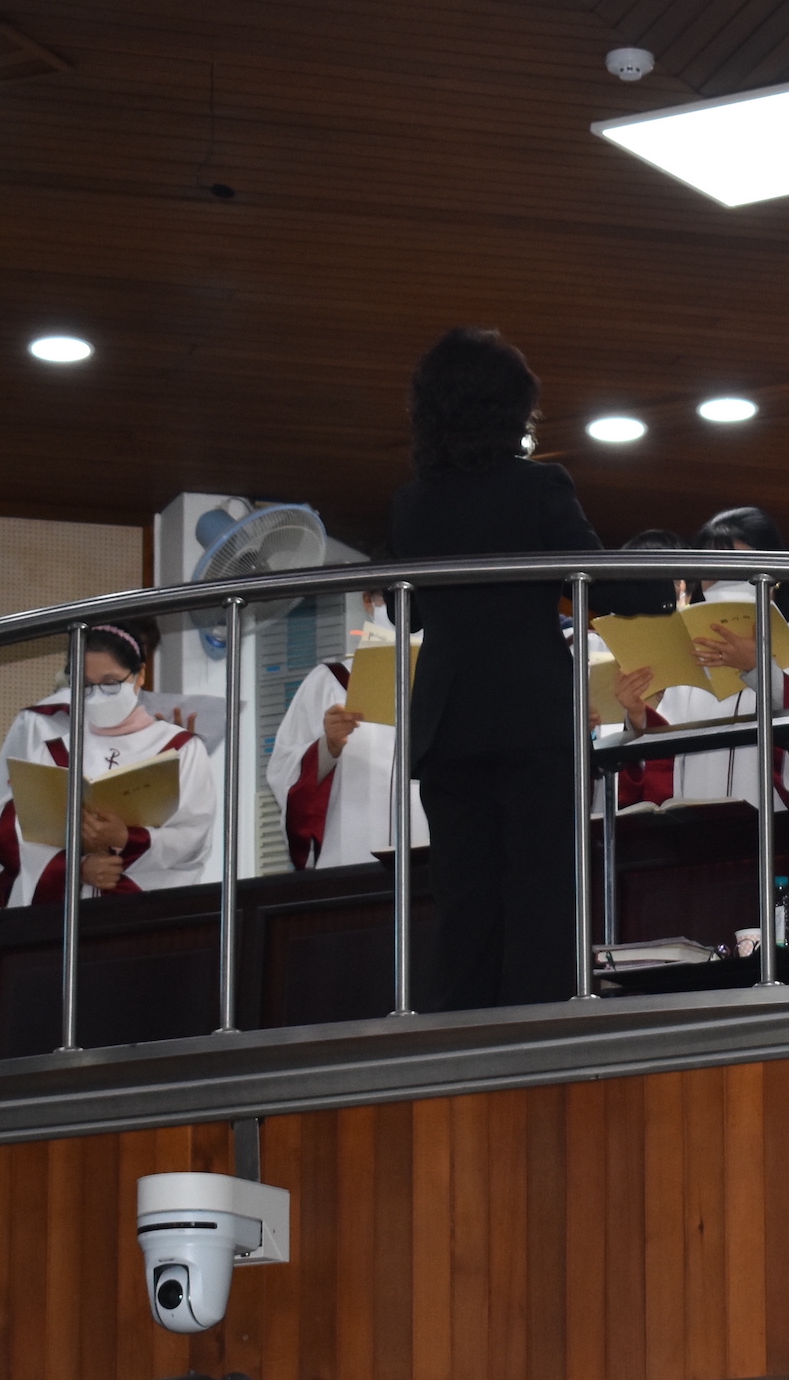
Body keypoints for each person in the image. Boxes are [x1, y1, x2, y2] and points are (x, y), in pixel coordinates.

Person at [389, 327, 658, 1010]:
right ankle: (540, 1039)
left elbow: (403, 612)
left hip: (448, 720)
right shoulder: (538, 486)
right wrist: (660, 584)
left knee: (464, 898)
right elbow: (597, 580)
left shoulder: (414, 501)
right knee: (542, 890)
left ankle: (457, 1038)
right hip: (530, 717)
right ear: (510, 408)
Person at [608, 506, 789, 808]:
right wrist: (638, 715)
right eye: (713, 570)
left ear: (775, 571)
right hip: (700, 820)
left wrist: (760, 668)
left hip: (774, 818)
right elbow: (667, 757)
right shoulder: (691, 649)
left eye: (738, 567)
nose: (724, 581)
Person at [0, 622, 220, 906]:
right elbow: (24, 835)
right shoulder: (54, 750)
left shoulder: (181, 748)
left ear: (139, 675)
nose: (98, 696)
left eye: (111, 684)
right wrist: (76, 869)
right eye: (86, 686)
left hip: (147, 908)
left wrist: (127, 838)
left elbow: (194, 835)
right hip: (70, 913)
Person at [264, 591, 433, 869]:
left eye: (412, 595)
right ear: (368, 601)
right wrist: (326, 748)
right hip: (351, 859)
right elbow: (284, 770)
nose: (402, 608)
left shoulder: (453, 679)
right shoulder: (329, 681)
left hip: (435, 855)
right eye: (389, 596)